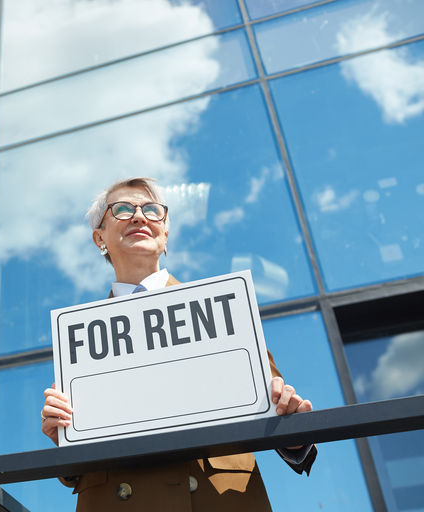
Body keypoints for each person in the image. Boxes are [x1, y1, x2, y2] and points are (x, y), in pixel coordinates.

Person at [41, 177, 317, 512]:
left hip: (218, 499)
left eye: (152, 211)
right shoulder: (80, 339)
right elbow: (76, 463)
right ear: (100, 237)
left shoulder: (222, 308)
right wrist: (66, 436)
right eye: (123, 209)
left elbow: (273, 408)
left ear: (165, 233)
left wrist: (293, 428)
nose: (140, 217)